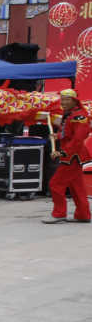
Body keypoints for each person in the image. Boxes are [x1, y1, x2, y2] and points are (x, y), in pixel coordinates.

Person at [42, 89, 90, 224]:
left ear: (74, 101)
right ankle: (83, 214)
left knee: (55, 184)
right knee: (77, 187)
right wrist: (56, 136)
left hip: (73, 156)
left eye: (67, 99)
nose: (63, 102)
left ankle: (59, 213)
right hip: (72, 156)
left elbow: (78, 139)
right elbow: (68, 133)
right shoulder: (70, 115)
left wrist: (62, 152)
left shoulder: (79, 117)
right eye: (62, 99)